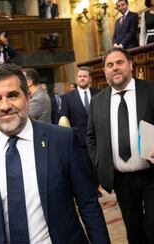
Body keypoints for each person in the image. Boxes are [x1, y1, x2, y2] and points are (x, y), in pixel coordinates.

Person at [0, 63, 110, 244]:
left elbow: (88, 205)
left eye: (13, 95)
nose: (5, 106)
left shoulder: (62, 140)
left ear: (28, 98)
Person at [87, 48, 154, 244]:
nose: (115, 68)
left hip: (153, 175)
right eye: (109, 65)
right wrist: (100, 162)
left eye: (119, 62)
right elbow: (91, 137)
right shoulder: (97, 102)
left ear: (130, 65)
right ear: (104, 71)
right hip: (121, 179)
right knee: (134, 230)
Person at [60, 66, 101, 196]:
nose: (82, 79)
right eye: (80, 76)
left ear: (90, 78)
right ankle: (89, 189)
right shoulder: (67, 97)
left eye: (85, 76)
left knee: (96, 165)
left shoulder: (98, 93)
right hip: (78, 139)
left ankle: (96, 188)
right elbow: (63, 118)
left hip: (97, 138)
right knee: (83, 167)